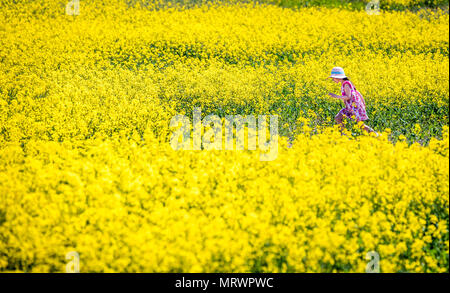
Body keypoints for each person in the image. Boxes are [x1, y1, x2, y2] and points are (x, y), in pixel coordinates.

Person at [327, 67, 377, 135]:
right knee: (338, 118)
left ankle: (375, 134)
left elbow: (348, 96)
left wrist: (336, 96)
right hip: (350, 107)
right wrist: (363, 102)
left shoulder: (346, 84)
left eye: (334, 77)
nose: (333, 79)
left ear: (338, 77)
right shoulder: (345, 83)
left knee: (360, 125)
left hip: (354, 107)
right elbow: (357, 92)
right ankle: (344, 134)